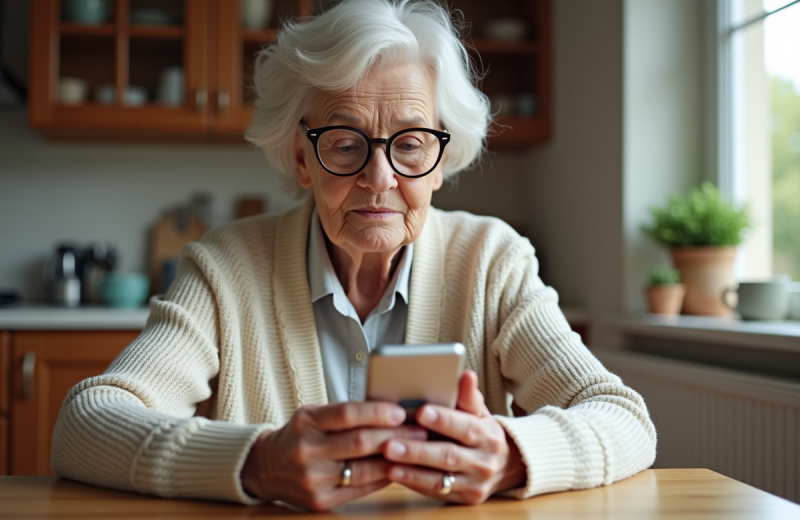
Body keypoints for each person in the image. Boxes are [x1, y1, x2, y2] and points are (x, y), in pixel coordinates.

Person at [51, 0, 656, 511]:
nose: (378, 177)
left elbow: (624, 419)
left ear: (440, 162)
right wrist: (257, 464)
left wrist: (512, 457)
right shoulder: (225, 265)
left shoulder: (492, 260)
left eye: (411, 145)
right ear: (300, 157)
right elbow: (83, 426)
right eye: (344, 144)